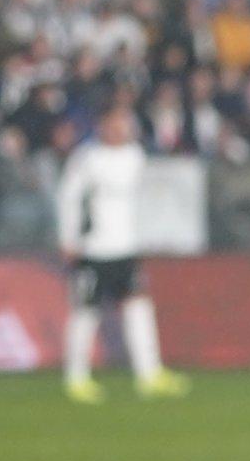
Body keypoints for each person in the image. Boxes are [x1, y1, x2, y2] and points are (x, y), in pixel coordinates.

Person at [55, 99, 184, 403]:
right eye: (114, 121)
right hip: (94, 248)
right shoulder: (87, 158)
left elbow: (145, 200)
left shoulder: (135, 156)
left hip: (126, 247)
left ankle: (149, 374)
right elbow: (68, 199)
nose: (119, 127)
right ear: (102, 125)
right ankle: (76, 378)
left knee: (139, 307)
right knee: (85, 313)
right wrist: (69, 239)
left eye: (124, 121)